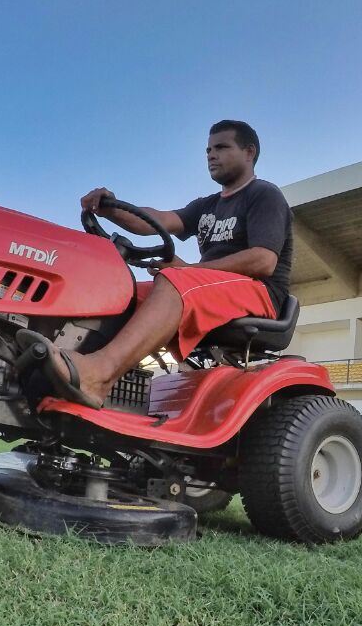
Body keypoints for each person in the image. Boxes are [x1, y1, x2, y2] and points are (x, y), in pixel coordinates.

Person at [17, 120, 292, 409]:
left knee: (176, 281)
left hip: (260, 293)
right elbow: (156, 220)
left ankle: (98, 377)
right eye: (208, 149)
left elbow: (264, 260)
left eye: (222, 147)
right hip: (214, 285)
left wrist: (186, 271)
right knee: (126, 295)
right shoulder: (206, 206)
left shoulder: (264, 194)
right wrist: (110, 207)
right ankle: (53, 371)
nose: (211, 155)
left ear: (249, 152)